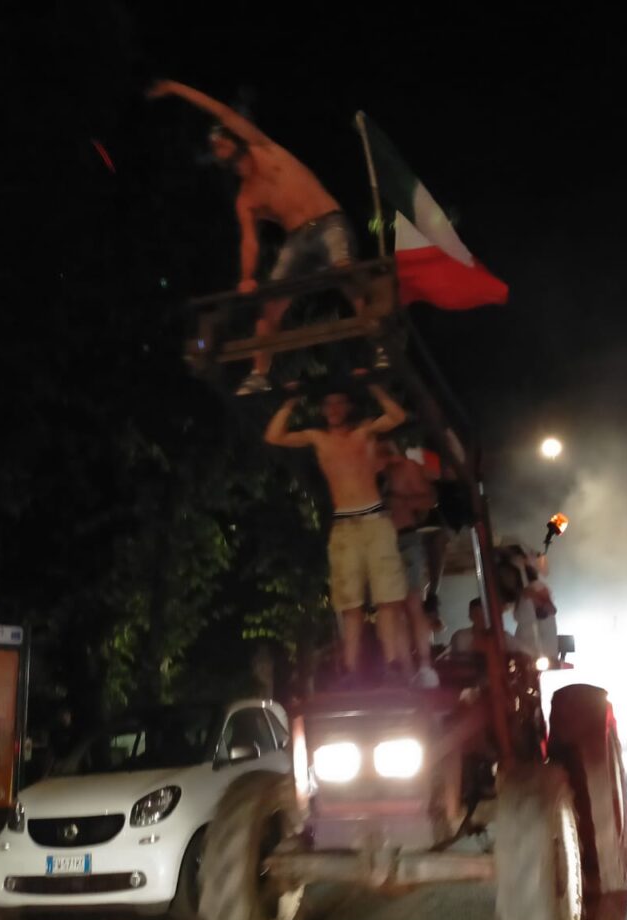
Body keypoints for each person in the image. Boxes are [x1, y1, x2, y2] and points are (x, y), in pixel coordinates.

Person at [147, 79, 364, 395]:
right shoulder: (245, 198)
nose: (218, 148)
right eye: (214, 147)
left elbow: (221, 111)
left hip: (328, 221)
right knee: (269, 306)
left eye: (220, 141)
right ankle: (260, 372)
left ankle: (377, 340)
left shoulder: (264, 148)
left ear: (234, 138)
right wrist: (247, 277)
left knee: (345, 271)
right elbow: (249, 241)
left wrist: (176, 88)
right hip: (297, 239)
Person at [264, 384, 410, 685]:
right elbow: (273, 436)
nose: (333, 409)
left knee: (387, 597)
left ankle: (393, 664)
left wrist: (375, 386)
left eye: (339, 403)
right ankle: (351, 669)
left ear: (349, 406)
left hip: (374, 519)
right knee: (349, 602)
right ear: (321, 409)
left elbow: (397, 416)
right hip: (344, 525)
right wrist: (290, 402)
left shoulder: (365, 430)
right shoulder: (318, 437)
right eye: (328, 404)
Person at [377, 437, 440, 687]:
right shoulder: (371, 470)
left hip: (404, 537)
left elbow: (430, 499)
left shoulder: (406, 468)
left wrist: (402, 501)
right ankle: (406, 669)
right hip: (380, 543)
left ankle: (424, 665)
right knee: (393, 609)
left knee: (412, 602)